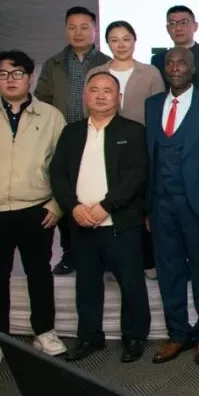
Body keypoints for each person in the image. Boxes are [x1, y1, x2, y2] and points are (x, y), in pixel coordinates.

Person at [0, 50, 67, 368]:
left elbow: (64, 165)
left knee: (39, 274)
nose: (11, 79)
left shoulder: (51, 116)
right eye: (4, 74)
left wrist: (57, 205)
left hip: (35, 209)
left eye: (18, 73)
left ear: (30, 77)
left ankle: (44, 331)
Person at [49, 72, 150, 363]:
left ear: (119, 97)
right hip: (81, 223)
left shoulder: (133, 131)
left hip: (120, 223)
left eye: (108, 90)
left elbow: (137, 174)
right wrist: (73, 207)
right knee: (87, 286)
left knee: (131, 283)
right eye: (94, 90)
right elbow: (57, 173)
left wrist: (106, 206)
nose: (101, 95)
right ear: (85, 96)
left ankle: (134, 337)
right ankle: (89, 337)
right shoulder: (71, 132)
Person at [144, 47, 199, 365]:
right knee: (168, 271)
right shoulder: (151, 105)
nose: (175, 68)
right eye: (170, 63)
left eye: (182, 63)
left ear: (192, 69)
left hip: (196, 204)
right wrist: (147, 207)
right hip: (160, 203)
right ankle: (177, 334)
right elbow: (148, 156)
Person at [34, 6, 111, 276]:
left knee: (97, 194)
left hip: (97, 137)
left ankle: (103, 255)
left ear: (94, 30)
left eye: (84, 27)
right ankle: (69, 254)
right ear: (66, 30)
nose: (78, 33)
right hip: (63, 139)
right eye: (72, 27)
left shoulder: (106, 62)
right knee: (66, 196)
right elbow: (41, 101)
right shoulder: (53, 64)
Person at [88, 21, 164, 280]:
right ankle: (111, 263)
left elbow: (158, 112)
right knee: (108, 199)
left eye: (126, 39)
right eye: (114, 39)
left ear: (134, 40)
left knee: (139, 204)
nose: (120, 45)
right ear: (107, 43)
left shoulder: (150, 73)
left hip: (139, 146)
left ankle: (147, 261)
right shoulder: (97, 72)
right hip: (103, 145)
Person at [151, 5, 199, 88]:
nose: (178, 28)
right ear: (167, 29)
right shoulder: (158, 60)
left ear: (195, 26)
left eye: (183, 22)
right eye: (172, 23)